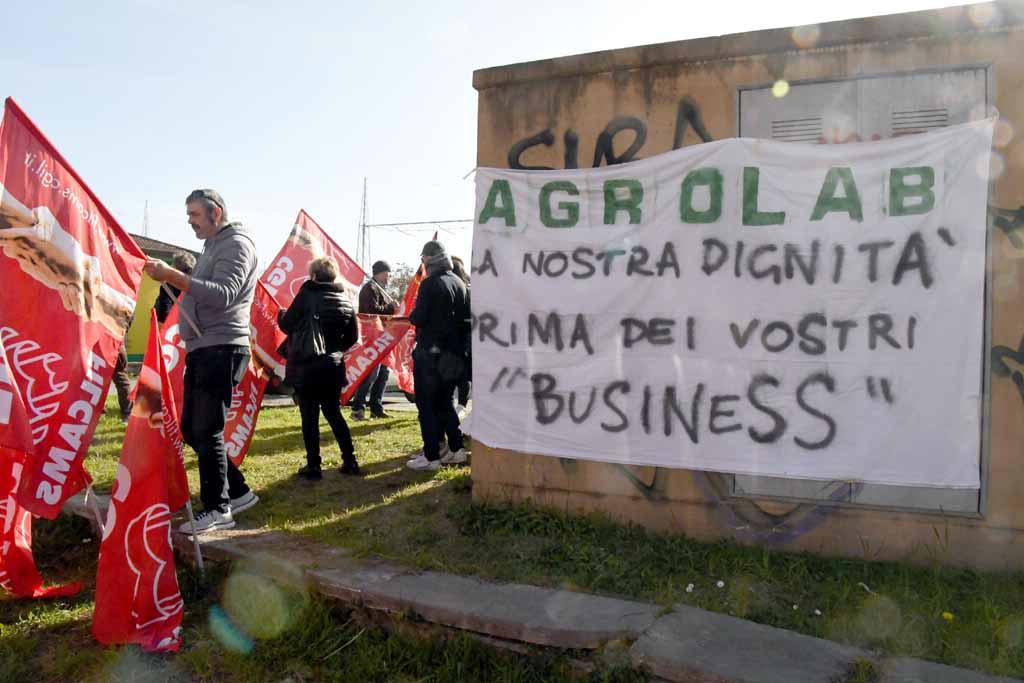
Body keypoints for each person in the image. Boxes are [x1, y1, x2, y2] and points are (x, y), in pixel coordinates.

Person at [143, 189, 259, 534]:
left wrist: (172, 276)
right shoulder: (212, 246)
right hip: (205, 348)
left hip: (221, 347)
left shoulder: (236, 244)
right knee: (194, 428)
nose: (189, 221)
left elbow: (223, 294)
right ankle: (237, 492)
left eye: (194, 214)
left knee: (206, 429)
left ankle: (218, 508)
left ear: (216, 212)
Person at [278, 257, 360, 479]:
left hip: (308, 366)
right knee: (334, 414)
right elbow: (353, 337)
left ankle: (314, 466)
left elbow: (287, 325)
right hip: (333, 366)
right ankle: (350, 459)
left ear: (313, 275)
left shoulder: (307, 294)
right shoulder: (345, 300)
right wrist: (334, 350)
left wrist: (281, 314)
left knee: (309, 418)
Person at [406, 240, 471, 471]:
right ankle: (456, 449)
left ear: (428, 260)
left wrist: (413, 314)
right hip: (454, 355)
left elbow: (419, 318)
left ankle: (431, 456)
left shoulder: (430, 284)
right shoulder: (459, 283)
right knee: (446, 403)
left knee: (427, 406)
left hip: (431, 354)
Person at [351, 260, 397, 420]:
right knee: (372, 373)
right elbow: (372, 311)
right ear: (378, 273)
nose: (388, 278)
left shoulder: (381, 290)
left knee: (383, 373)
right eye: (386, 274)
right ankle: (358, 408)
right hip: (372, 338)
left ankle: (376, 407)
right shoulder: (369, 289)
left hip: (381, 338)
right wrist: (390, 307)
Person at [449, 256, 472, 422]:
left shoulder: (452, 288)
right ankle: (462, 406)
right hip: (469, 341)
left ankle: (459, 409)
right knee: (465, 378)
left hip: (454, 340)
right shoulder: (470, 288)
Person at [154, 251, 197, 323]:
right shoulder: (194, 290)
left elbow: (163, 314)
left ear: (175, 269)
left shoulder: (168, 287)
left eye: (172, 265)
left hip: (168, 329)